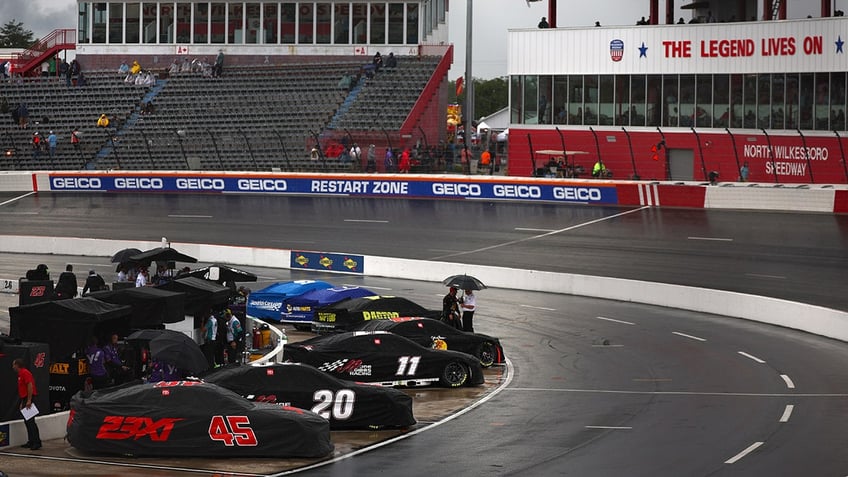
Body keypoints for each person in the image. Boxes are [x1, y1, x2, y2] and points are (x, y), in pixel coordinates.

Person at [12, 358, 41, 450]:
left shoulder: (25, 373)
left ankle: (37, 442)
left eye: (14, 365)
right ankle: (31, 441)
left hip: (29, 398)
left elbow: (30, 385)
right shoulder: (20, 375)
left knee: (31, 421)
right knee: (27, 421)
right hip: (25, 398)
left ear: (17, 365)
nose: (13, 367)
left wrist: (29, 400)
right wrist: (22, 402)